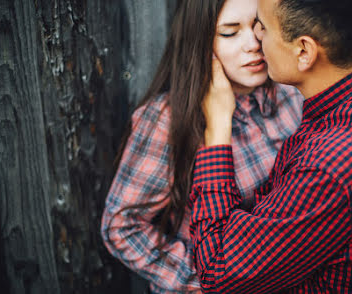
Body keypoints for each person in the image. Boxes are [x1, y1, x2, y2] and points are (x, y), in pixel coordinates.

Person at [189, 0, 352, 293]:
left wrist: (215, 132)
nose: (256, 36)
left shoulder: (330, 169)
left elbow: (218, 273)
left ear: (304, 51)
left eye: (262, 26)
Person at [100, 0, 303, 293]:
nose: (253, 44)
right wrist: (204, 281)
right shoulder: (167, 120)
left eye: (258, 26)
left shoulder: (289, 92)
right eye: (230, 32)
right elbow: (122, 226)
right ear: (200, 41)